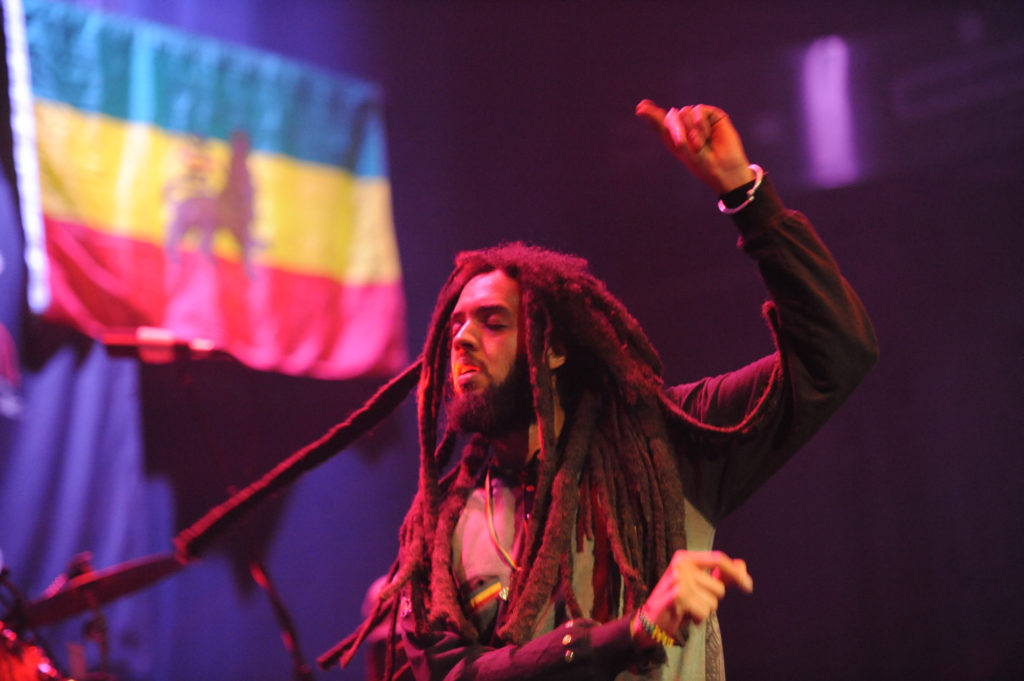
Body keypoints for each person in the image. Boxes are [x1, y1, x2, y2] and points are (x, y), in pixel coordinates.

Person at [336, 98, 878, 681]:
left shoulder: (666, 443)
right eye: (456, 325)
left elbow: (836, 352)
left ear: (552, 347)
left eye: (492, 322)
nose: (462, 339)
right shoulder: (442, 527)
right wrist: (632, 633)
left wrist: (745, 195)